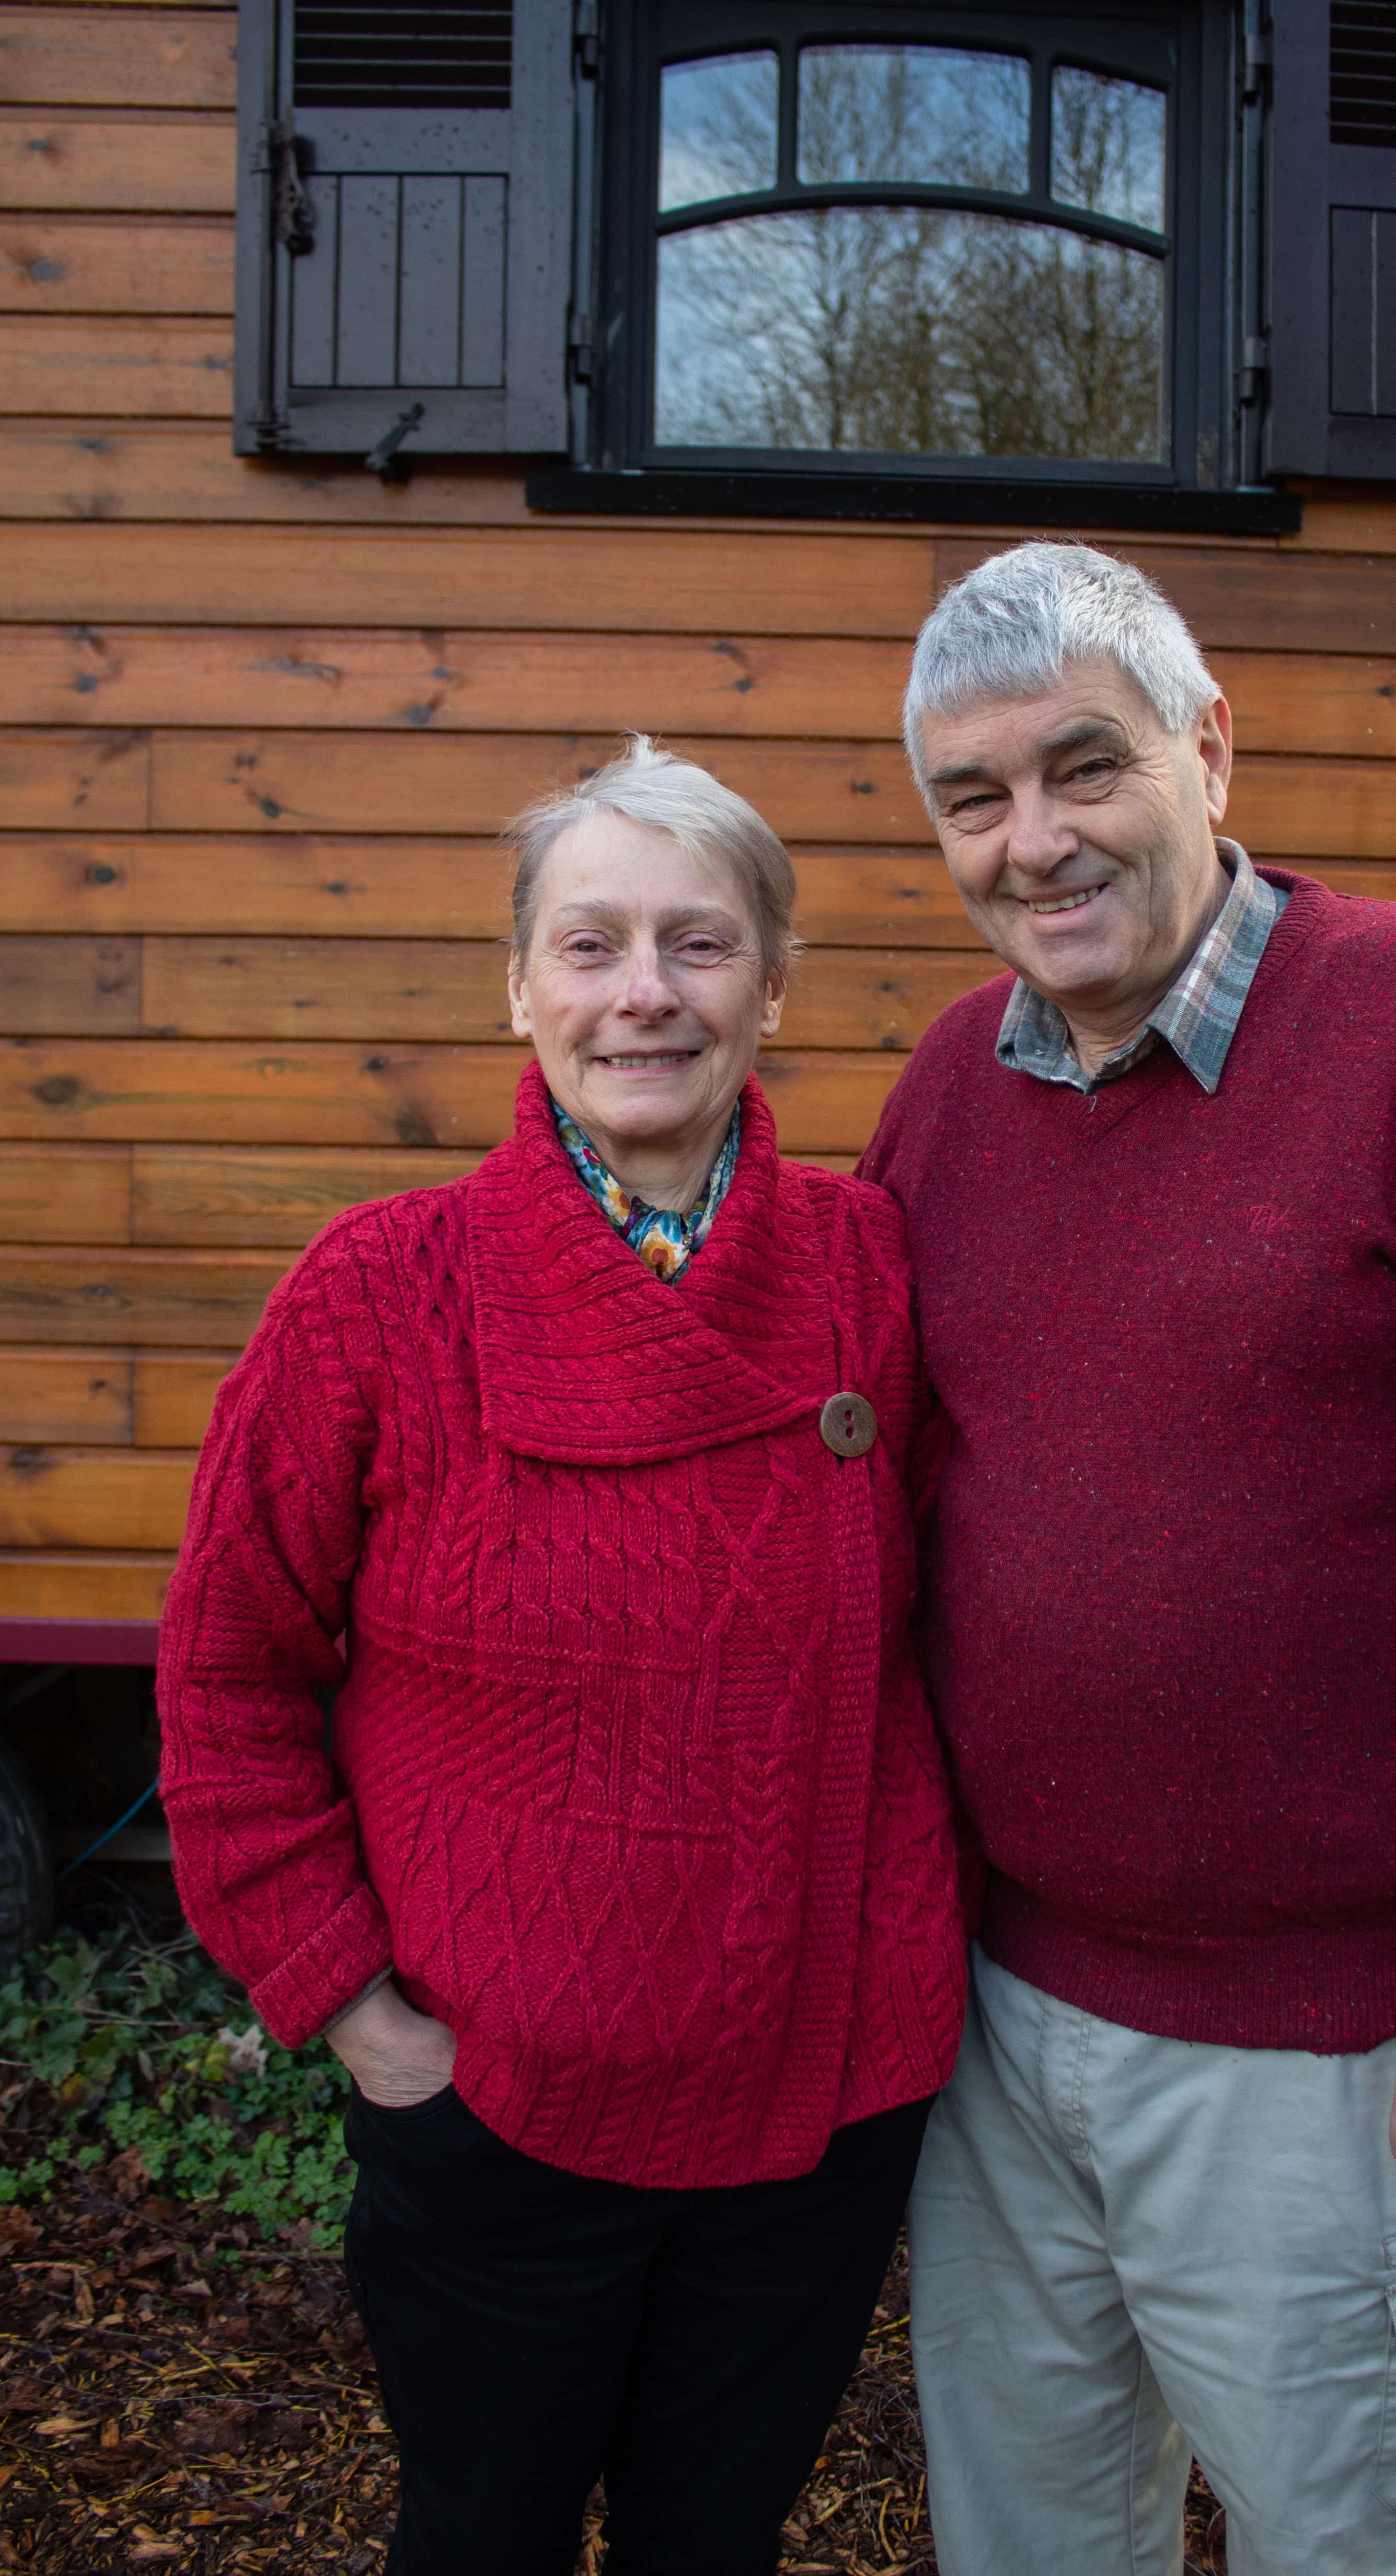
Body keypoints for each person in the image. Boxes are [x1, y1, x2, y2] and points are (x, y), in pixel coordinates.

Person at [858, 544, 1396, 2576]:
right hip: (999, 2022)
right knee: (1030, 2540)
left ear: (1211, 746)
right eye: (975, 800)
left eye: (1086, 767)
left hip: (1331, 2060)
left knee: (1344, 2547)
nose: (1036, 840)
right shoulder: (947, 1097)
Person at [155, 739, 966, 2576]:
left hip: (820, 2100)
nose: (644, 995)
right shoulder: (377, 1293)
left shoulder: (875, 1266)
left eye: (697, 943)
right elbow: (228, 1682)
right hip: (500, 2108)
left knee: (716, 2541)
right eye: (589, 945)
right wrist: (357, 2015)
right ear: (519, 988)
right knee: (484, 2538)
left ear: (774, 979)